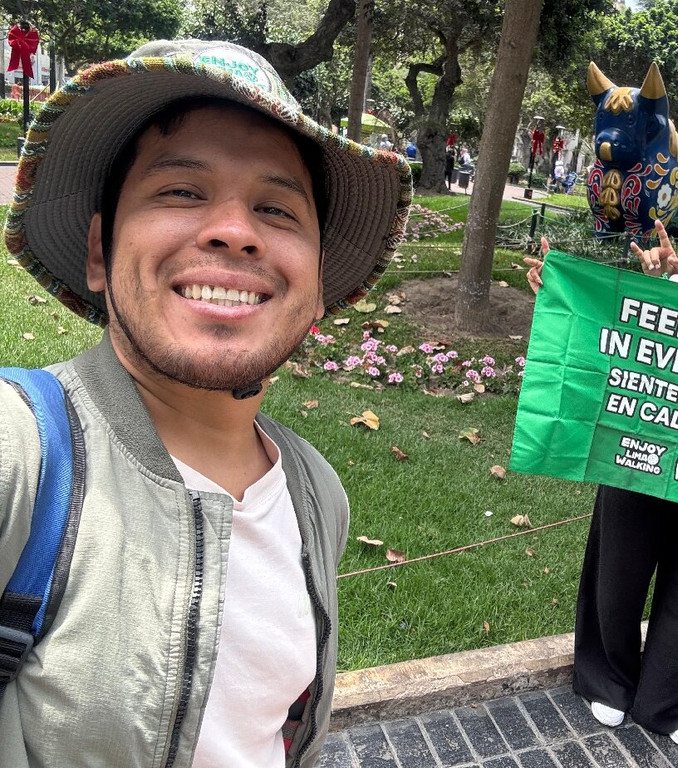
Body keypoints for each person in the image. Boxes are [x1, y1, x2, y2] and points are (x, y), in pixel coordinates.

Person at [0, 39, 412, 767]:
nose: (234, 230)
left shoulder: (317, 496)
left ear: (315, 286)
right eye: (182, 192)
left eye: (277, 208)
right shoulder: (21, 454)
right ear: (100, 251)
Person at [524, 190, 678, 752]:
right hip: (634, 461)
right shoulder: (662, 294)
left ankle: (671, 701)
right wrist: (559, 296)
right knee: (616, 576)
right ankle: (605, 679)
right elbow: (599, 339)